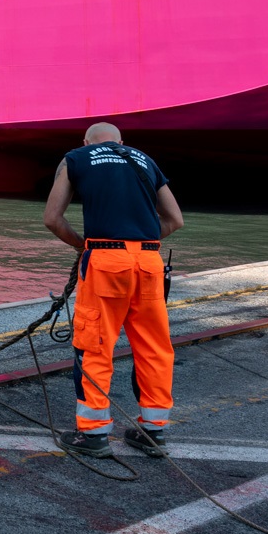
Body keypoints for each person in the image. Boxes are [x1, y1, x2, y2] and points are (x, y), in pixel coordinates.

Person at [41, 122, 185, 459]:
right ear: (122, 141)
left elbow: (52, 218)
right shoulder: (144, 159)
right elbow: (175, 220)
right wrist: (138, 244)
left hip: (105, 262)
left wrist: (85, 246)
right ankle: (153, 431)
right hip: (149, 262)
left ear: (87, 141)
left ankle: (93, 435)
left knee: (95, 346)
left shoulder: (75, 158)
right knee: (154, 347)